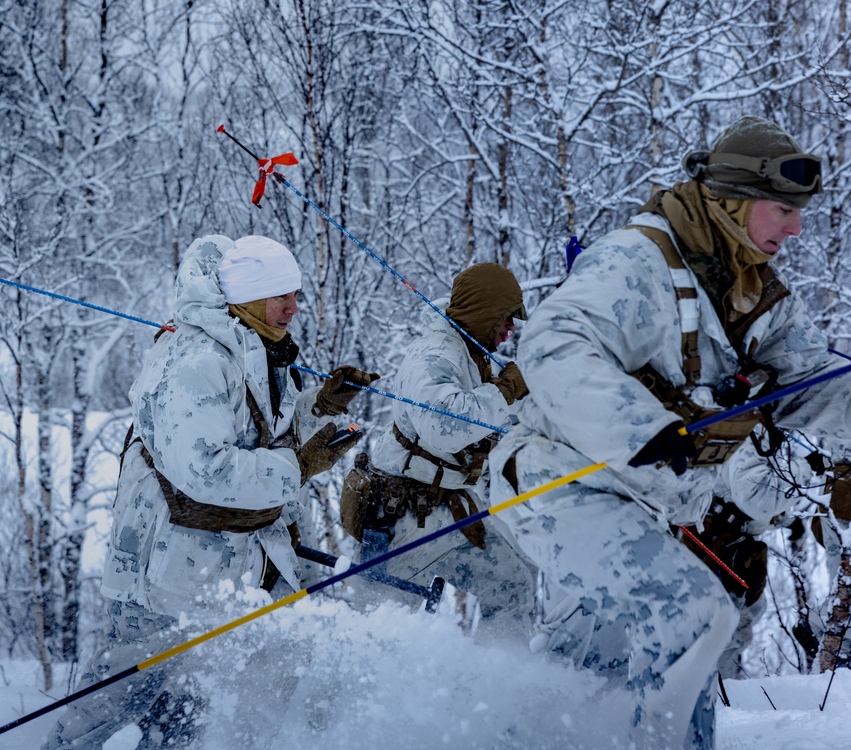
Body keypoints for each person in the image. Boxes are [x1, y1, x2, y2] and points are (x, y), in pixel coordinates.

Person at [488, 115, 851, 748]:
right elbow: (550, 344)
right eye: (781, 210)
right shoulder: (639, 262)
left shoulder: (753, 294)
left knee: (584, 683)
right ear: (734, 202)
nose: (795, 227)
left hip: (644, 511)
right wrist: (643, 428)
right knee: (692, 614)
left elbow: (814, 384)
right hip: (559, 487)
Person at [43, 234, 376, 749]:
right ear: (244, 295)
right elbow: (207, 469)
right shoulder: (198, 359)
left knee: (185, 710)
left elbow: (258, 431)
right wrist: (300, 466)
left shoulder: (254, 347)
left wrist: (323, 404)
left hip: (212, 571)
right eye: (279, 294)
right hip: (163, 575)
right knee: (113, 703)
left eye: (295, 293)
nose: (293, 306)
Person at [340, 262, 537, 631]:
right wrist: (505, 392)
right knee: (376, 629)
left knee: (512, 588)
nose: (511, 330)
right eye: (506, 319)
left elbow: (494, 417)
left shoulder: (469, 352)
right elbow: (446, 426)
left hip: (448, 513)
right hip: (404, 524)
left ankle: (507, 684)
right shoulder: (435, 356)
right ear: (485, 313)